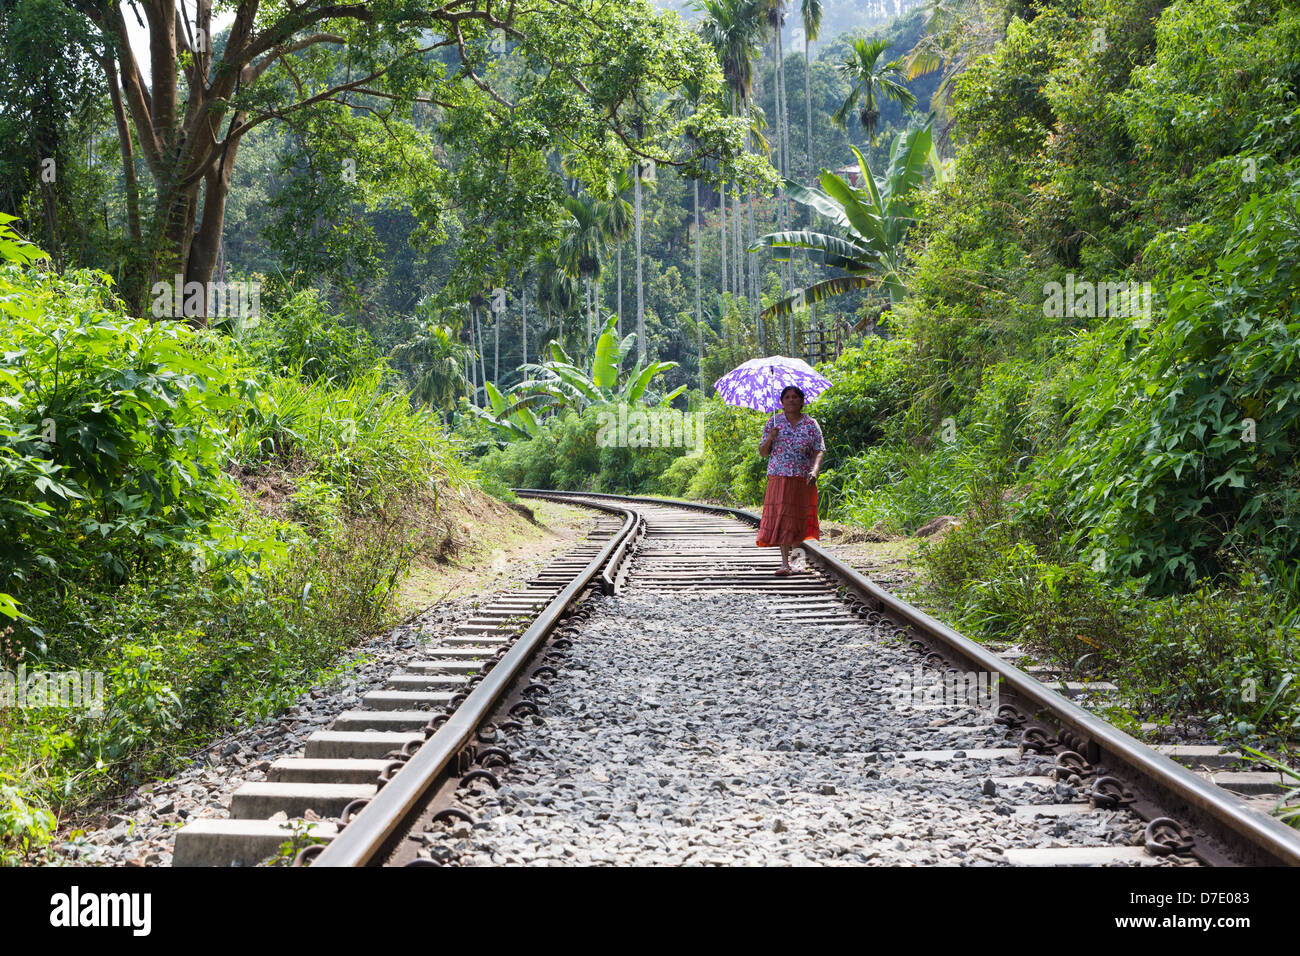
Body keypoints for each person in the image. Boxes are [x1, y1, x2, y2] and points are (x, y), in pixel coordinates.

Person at [756, 385, 825, 574]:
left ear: (802, 401)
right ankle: (785, 564)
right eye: (787, 397)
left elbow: (819, 450)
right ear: (781, 402)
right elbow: (763, 452)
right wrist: (770, 437)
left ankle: (797, 562)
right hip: (780, 476)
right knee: (783, 518)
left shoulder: (811, 424)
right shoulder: (773, 423)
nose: (791, 400)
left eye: (795, 397)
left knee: (799, 519)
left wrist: (815, 471)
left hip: (803, 478)